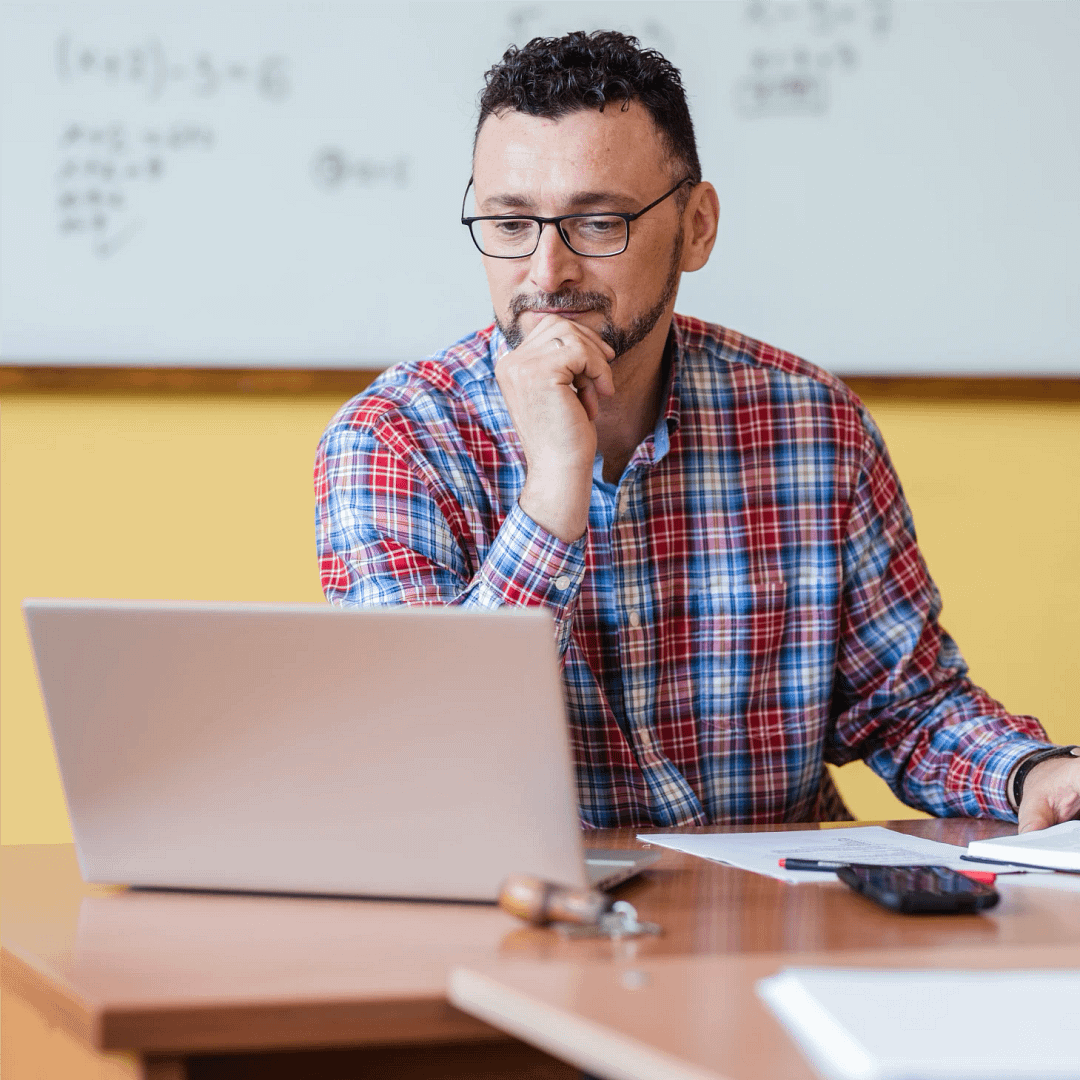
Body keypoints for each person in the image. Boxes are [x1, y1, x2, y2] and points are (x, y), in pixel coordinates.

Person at [314, 30, 1079, 832]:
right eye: (510, 226)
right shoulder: (390, 441)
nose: (546, 275)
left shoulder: (812, 424)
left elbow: (905, 705)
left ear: (697, 228)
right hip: (521, 928)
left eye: (599, 222)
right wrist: (551, 493)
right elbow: (422, 760)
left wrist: (1031, 773)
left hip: (766, 927)